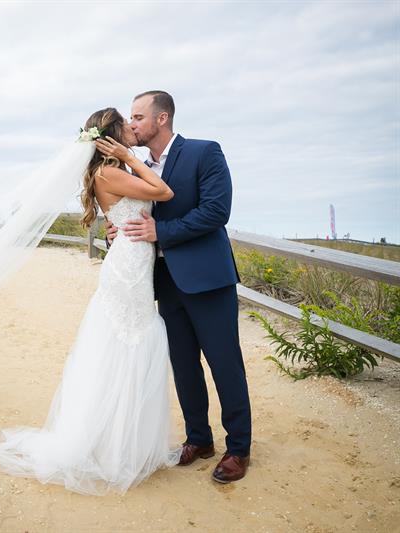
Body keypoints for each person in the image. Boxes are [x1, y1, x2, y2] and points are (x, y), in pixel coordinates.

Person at [0, 108, 180, 495]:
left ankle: (125, 443)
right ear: (111, 135)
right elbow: (163, 192)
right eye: (126, 124)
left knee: (129, 343)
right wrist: (128, 159)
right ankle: (110, 448)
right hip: (127, 267)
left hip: (132, 259)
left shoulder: (109, 171)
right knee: (127, 344)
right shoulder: (110, 171)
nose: (131, 129)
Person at [97, 90, 252, 483]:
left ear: (161, 119)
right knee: (183, 366)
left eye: (137, 117)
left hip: (207, 279)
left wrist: (159, 232)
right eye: (129, 118)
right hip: (164, 282)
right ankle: (199, 439)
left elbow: (217, 211)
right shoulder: (135, 167)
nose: (131, 124)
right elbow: (129, 208)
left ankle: (238, 449)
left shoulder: (204, 152)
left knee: (224, 363)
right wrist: (116, 229)